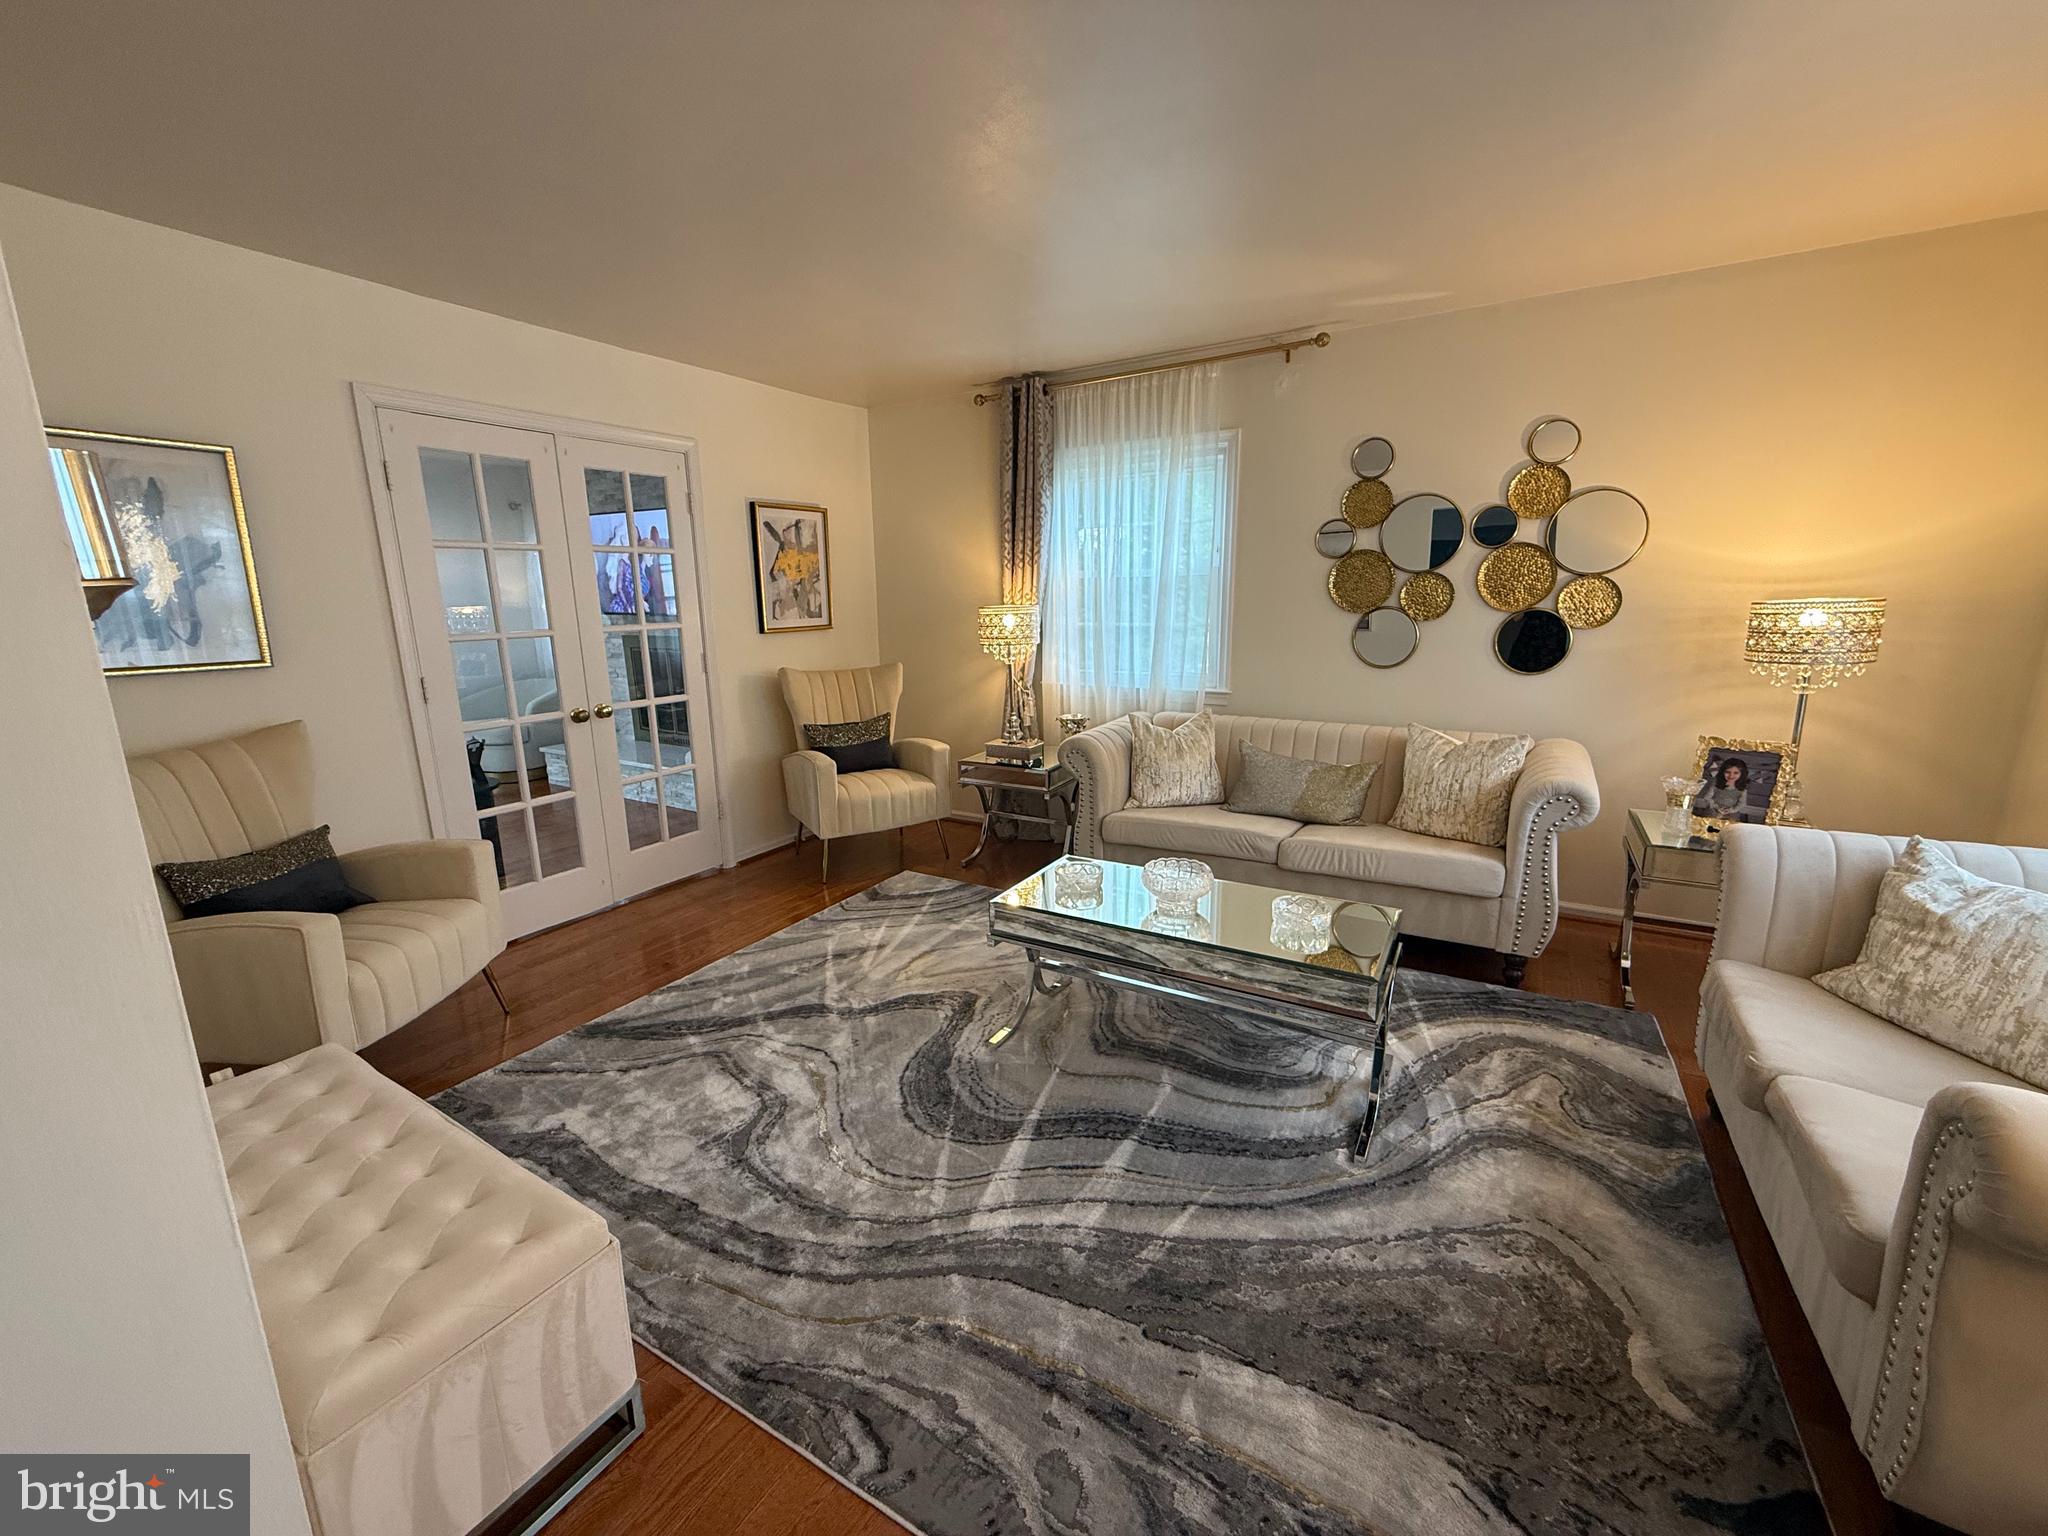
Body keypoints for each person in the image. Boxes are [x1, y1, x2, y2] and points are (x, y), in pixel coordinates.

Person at [1697, 756, 1750, 820]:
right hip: (1713, 810)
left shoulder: (1742, 789)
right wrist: (1716, 807)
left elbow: (1742, 803)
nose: (1731, 776)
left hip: (1731, 813)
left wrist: (1731, 810)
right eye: (1728, 772)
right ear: (1723, 772)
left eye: (1736, 773)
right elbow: (1707, 797)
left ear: (1742, 774)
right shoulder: (1716, 784)